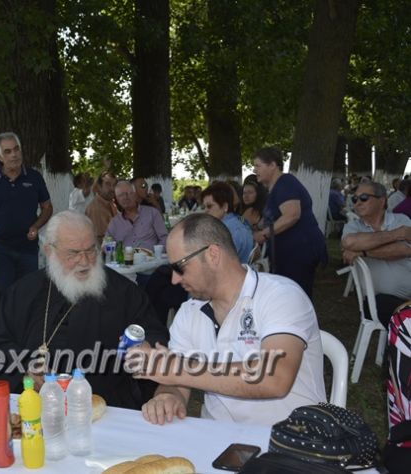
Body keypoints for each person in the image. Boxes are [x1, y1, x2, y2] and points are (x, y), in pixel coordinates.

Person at [134, 213, 325, 425]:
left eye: (180, 267)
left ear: (213, 254)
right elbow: (177, 383)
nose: (174, 278)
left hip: (292, 440)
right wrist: (167, 397)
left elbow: (275, 378)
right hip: (219, 438)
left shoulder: (281, 295)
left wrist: (179, 370)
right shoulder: (189, 312)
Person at [0, 211, 169, 409]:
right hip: (36, 405)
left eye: (91, 250)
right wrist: (24, 370)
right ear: (49, 251)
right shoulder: (23, 291)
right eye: (73, 253)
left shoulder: (124, 292)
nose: (85, 261)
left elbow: (154, 334)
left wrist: (143, 348)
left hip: (103, 404)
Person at [0, 132, 53, 292]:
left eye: (16, 149)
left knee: (28, 294)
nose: (14, 155)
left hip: (28, 248)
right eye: (7, 151)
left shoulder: (34, 177)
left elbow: (47, 207)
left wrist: (36, 226)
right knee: (3, 296)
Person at [252, 147, 327, 298]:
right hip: (290, 252)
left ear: (272, 165)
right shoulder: (277, 187)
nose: (254, 170)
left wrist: (264, 235)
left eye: (258, 166)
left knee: (297, 296)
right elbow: (269, 218)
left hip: (299, 251)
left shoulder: (285, 183)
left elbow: (292, 215)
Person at [341, 181, 411, 327]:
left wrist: (363, 251)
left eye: (364, 198)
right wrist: (399, 234)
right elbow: (350, 243)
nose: (358, 203)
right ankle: (397, 348)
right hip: (378, 301)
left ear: (382, 200)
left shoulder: (402, 220)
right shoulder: (352, 227)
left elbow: (404, 250)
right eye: (355, 199)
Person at [105, 181, 167, 250]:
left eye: (129, 193)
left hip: (151, 259)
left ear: (135, 195)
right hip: (126, 259)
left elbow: (164, 238)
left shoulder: (152, 213)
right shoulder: (114, 223)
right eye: (121, 195)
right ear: (117, 199)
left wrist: (156, 254)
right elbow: (106, 244)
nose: (125, 197)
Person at [201, 182, 254, 263]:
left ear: (225, 207)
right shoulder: (237, 221)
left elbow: (216, 263)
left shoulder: (227, 230)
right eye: (204, 207)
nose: (205, 211)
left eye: (209, 206)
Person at [85, 171, 118, 242]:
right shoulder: (96, 209)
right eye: (108, 184)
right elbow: (101, 241)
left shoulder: (111, 203)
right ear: (99, 187)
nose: (112, 189)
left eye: (114, 185)